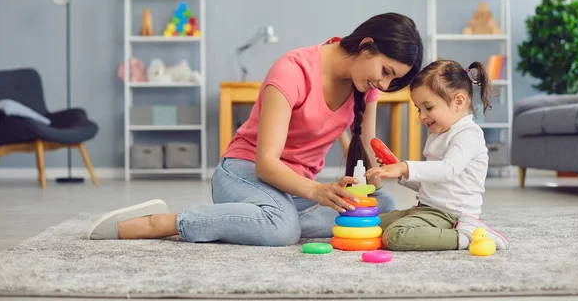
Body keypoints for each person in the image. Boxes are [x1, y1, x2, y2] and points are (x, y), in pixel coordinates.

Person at [86, 12, 424, 245]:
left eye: (392, 78)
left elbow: (366, 150)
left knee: (381, 204)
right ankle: (165, 222)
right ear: (366, 45)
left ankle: (265, 218)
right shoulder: (292, 72)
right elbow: (267, 164)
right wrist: (320, 193)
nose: (383, 81)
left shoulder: (367, 86)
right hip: (245, 173)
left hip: (294, 190)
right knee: (282, 229)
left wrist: (377, 173)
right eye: (385, 70)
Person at [365, 59, 511, 252]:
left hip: (451, 215)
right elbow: (433, 184)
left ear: (458, 101)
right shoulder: (439, 135)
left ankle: (466, 236)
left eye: (428, 107)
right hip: (427, 208)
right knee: (371, 223)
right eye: (419, 109)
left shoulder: (468, 134)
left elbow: (448, 170)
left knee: (395, 236)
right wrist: (400, 172)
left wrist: (406, 167)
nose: (422, 116)